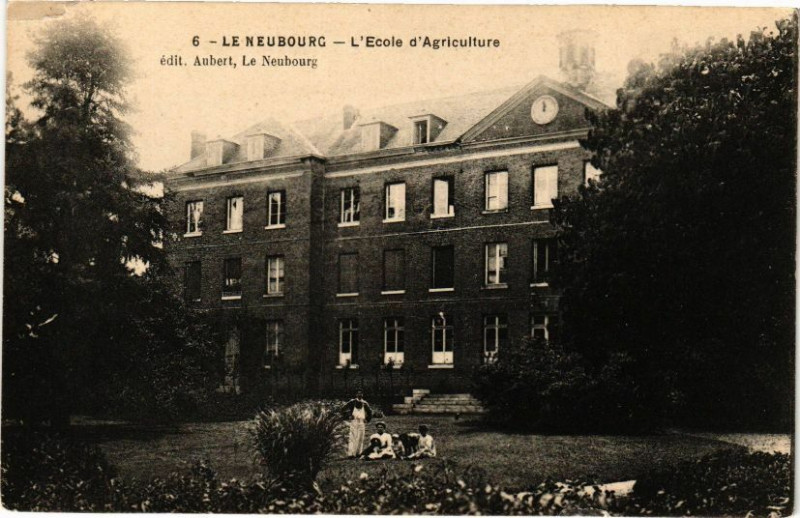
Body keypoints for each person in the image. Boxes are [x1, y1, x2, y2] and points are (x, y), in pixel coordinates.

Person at [342, 391, 372, 458]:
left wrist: (367, 419)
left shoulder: (365, 403)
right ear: (356, 394)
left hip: (361, 422)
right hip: (354, 421)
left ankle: (359, 453)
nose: (360, 394)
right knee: (353, 436)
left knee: (360, 437)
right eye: (358, 393)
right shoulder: (352, 402)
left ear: (363, 395)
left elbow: (370, 412)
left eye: (361, 393)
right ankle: (351, 454)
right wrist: (348, 415)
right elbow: (343, 409)